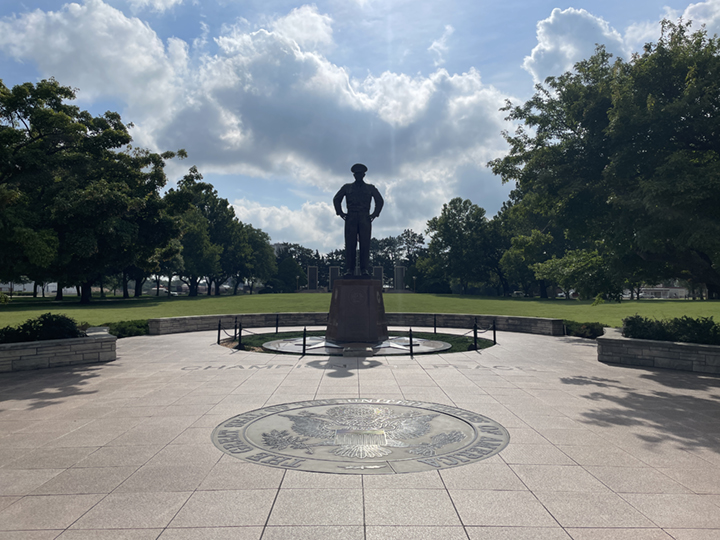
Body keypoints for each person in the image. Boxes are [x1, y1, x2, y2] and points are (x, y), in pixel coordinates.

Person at [333, 163, 384, 276]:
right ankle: (349, 270)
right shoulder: (347, 187)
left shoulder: (370, 188)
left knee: (365, 244)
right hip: (351, 217)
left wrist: (374, 214)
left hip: (364, 217)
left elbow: (379, 201)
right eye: (356, 174)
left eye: (360, 174)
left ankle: (364, 269)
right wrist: (340, 213)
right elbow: (337, 199)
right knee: (350, 244)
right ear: (354, 175)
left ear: (364, 175)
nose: (358, 176)